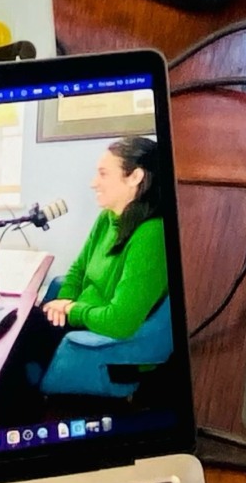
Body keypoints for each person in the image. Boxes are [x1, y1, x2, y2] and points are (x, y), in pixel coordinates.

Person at [42, 136, 167, 340]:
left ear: (135, 177)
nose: (93, 183)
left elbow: (119, 322)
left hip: (98, 334)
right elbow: (78, 269)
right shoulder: (107, 217)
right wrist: (63, 302)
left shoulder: (152, 235)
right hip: (79, 317)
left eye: (103, 174)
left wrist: (69, 309)